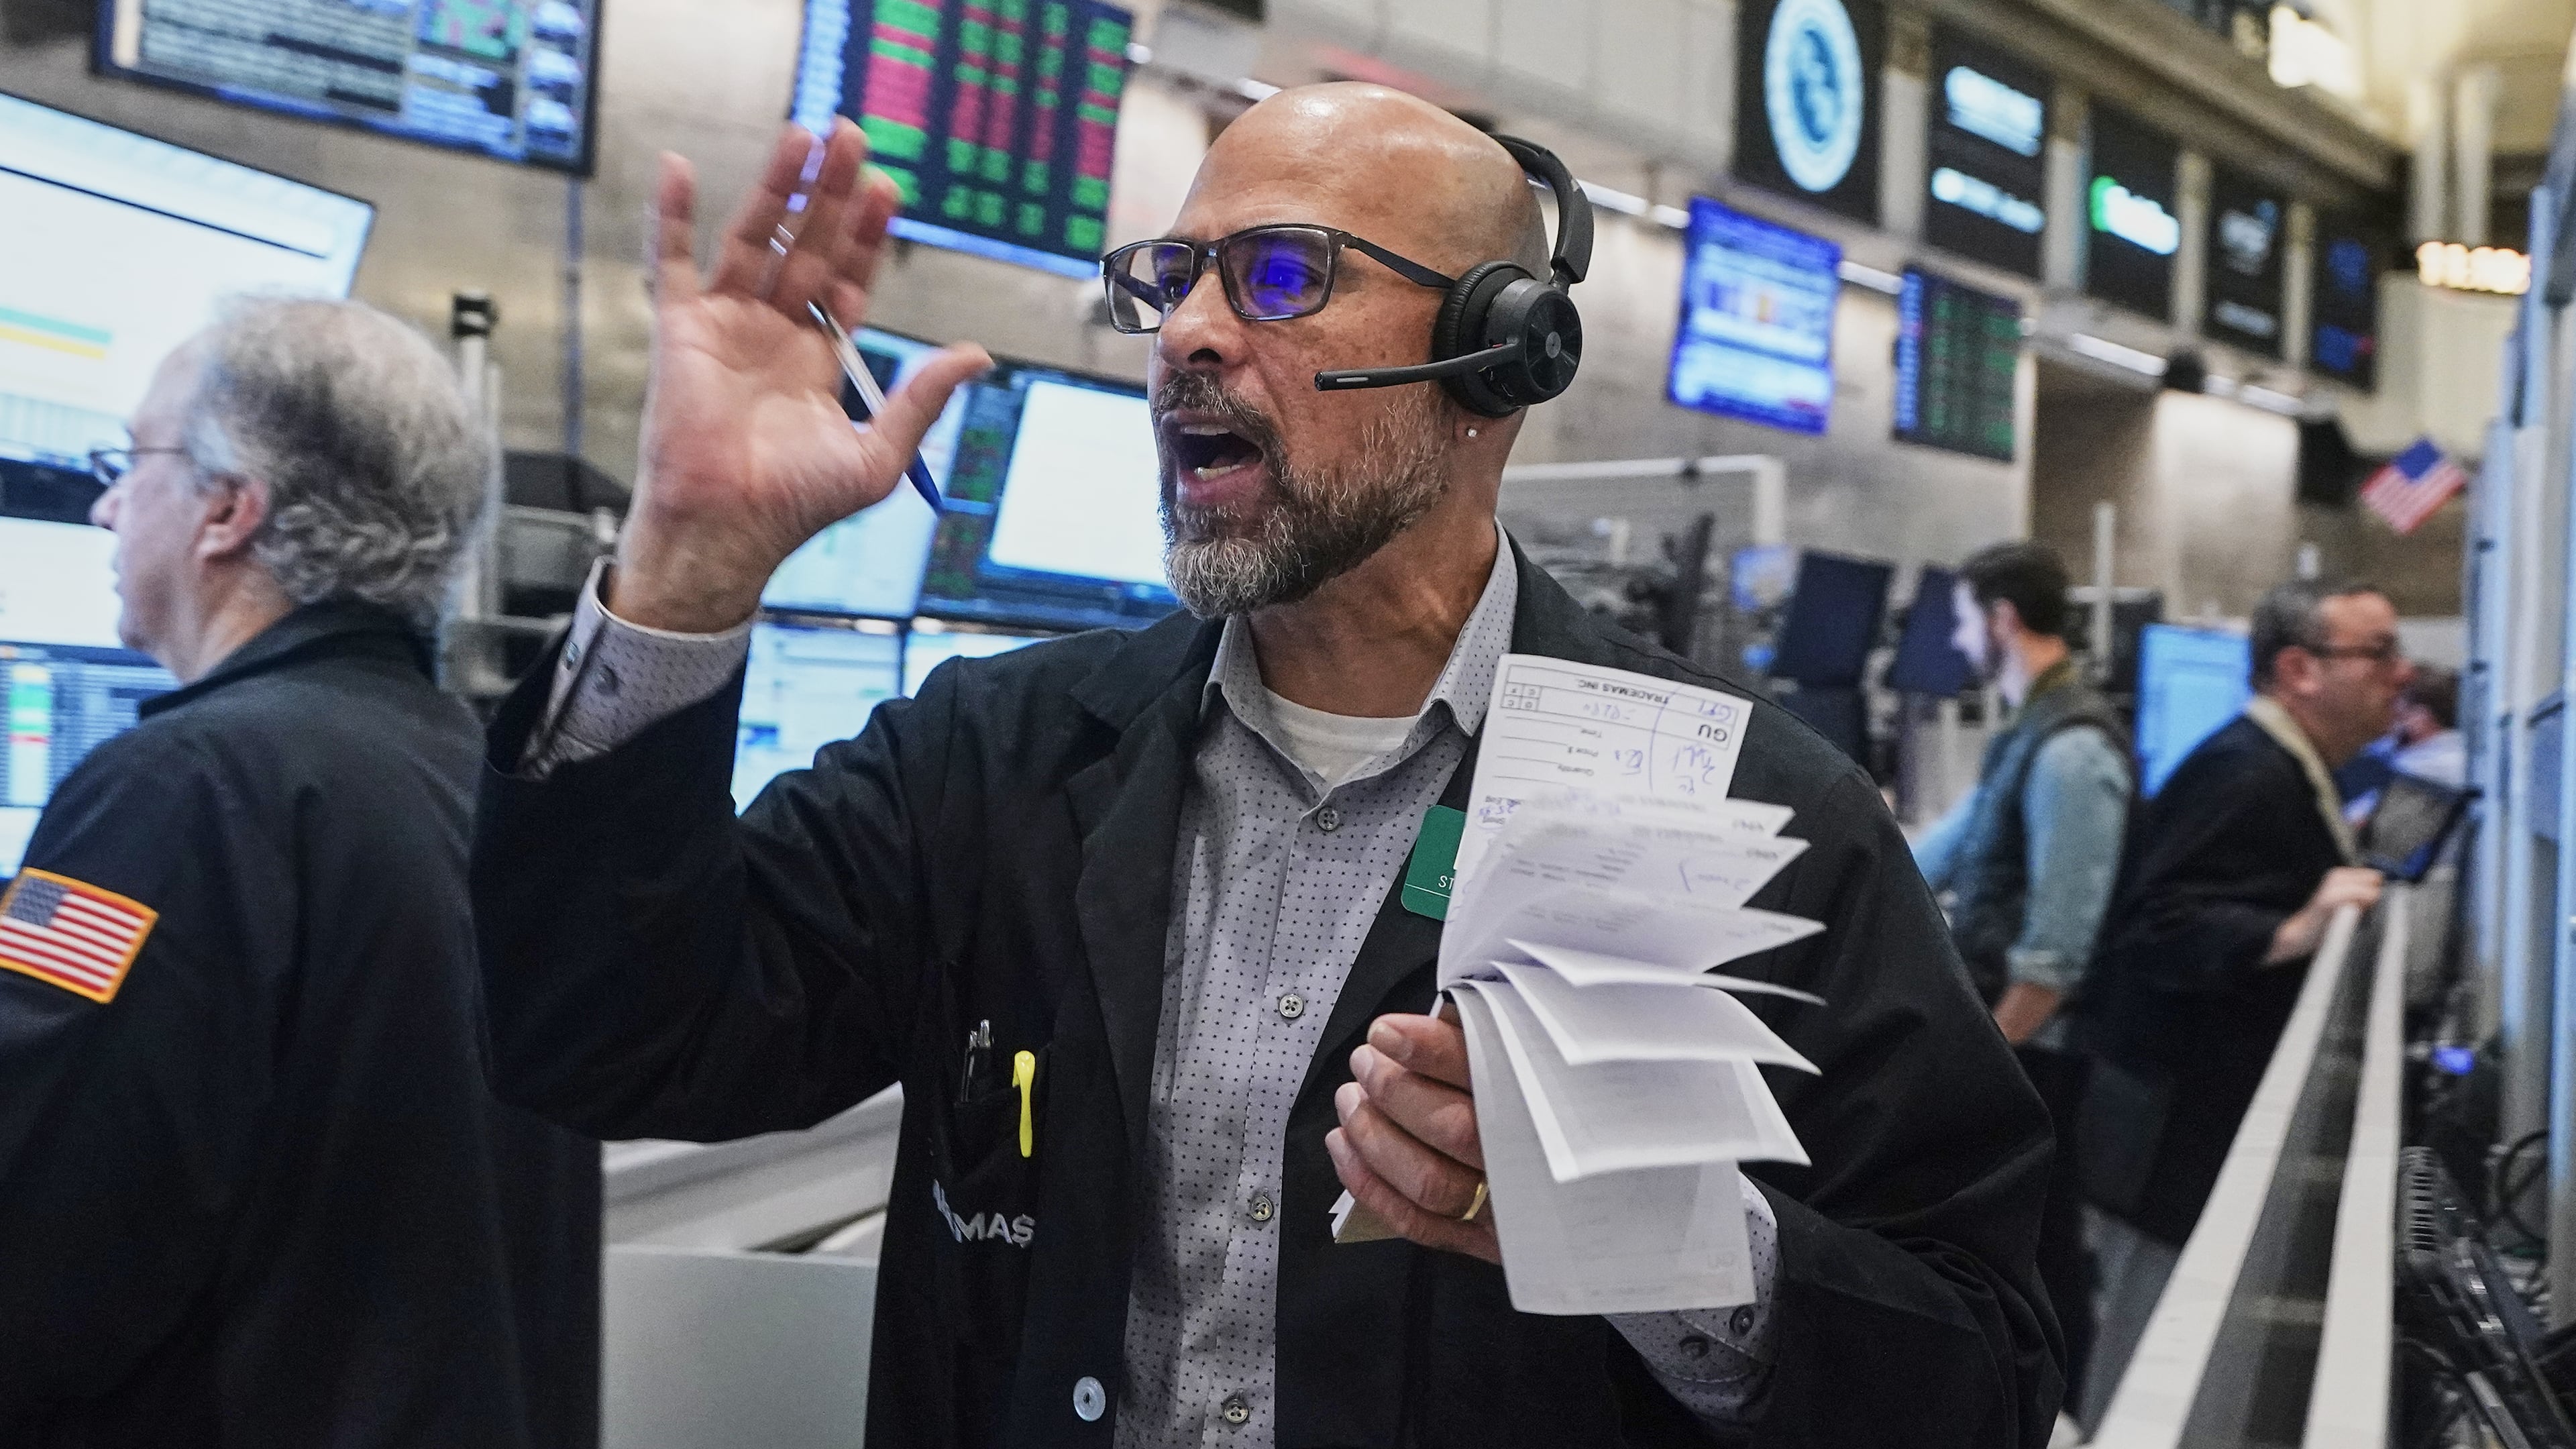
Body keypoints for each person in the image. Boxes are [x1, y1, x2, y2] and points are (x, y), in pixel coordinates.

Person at [472, 89, 2059, 1448]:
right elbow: (605, 1036)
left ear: (1494, 362)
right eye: (1170, 279)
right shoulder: (995, 758)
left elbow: (1984, 1368)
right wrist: (682, 562)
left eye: (1281, 273)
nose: (1190, 335)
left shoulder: (1749, 811)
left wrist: (1662, 1240)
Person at [0, 300, 600, 1446]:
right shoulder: (480, 777)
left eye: (131, 462)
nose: (106, 502)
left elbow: (33, 1231)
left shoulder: (175, 789)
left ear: (228, 509)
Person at [2073, 579, 2406, 1426]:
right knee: (2145, 1366)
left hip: (2180, 1127)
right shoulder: (2245, 771)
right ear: (2298, 669)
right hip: (2165, 1137)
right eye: (2378, 653)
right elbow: (2159, 925)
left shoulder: (2283, 766)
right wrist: (2297, 927)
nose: (2400, 674)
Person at [1912, 542, 2130, 1422]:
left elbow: (2057, 953)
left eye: (1966, 618)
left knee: (2044, 1253)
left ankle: (2067, 1416)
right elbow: (1941, 852)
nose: (1962, 638)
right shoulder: (2029, 731)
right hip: (2013, 1044)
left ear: (2002, 618)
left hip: (2037, 1050)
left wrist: (1988, 1057)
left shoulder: (2073, 748)